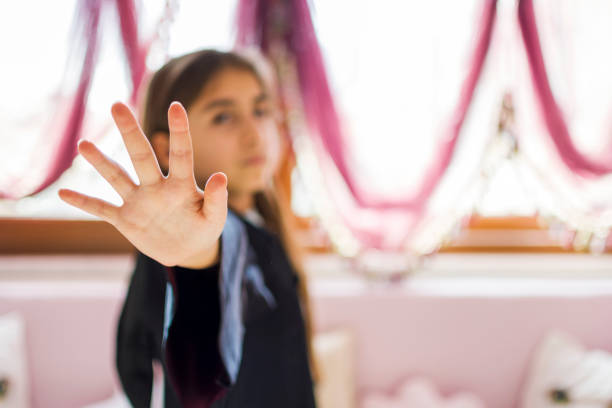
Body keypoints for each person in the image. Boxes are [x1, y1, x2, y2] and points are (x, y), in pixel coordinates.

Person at [58, 49, 317, 408]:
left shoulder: (263, 235)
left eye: (260, 110)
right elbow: (190, 365)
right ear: (165, 149)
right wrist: (195, 260)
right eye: (224, 116)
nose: (254, 133)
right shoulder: (198, 242)